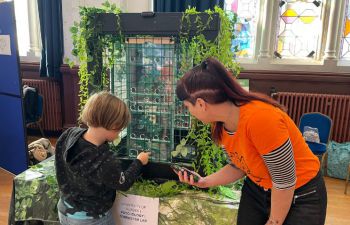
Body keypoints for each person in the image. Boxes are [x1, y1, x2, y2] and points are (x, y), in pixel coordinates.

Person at [174, 57, 327, 225]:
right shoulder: (221, 124)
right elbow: (239, 165)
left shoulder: (261, 118)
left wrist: (274, 221)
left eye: (188, 107)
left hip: (301, 193)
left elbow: (284, 181)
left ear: (201, 104)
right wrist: (205, 181)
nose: (190, 113)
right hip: (258, 189)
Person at [55, 91, 150, 225]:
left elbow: (59, 162)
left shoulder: (69, 134)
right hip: (92, 218)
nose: (119, 134)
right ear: (113, 126)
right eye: (119, 130)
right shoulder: (105, 160)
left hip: (65, 209)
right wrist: (139, 161)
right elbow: (123, 183)